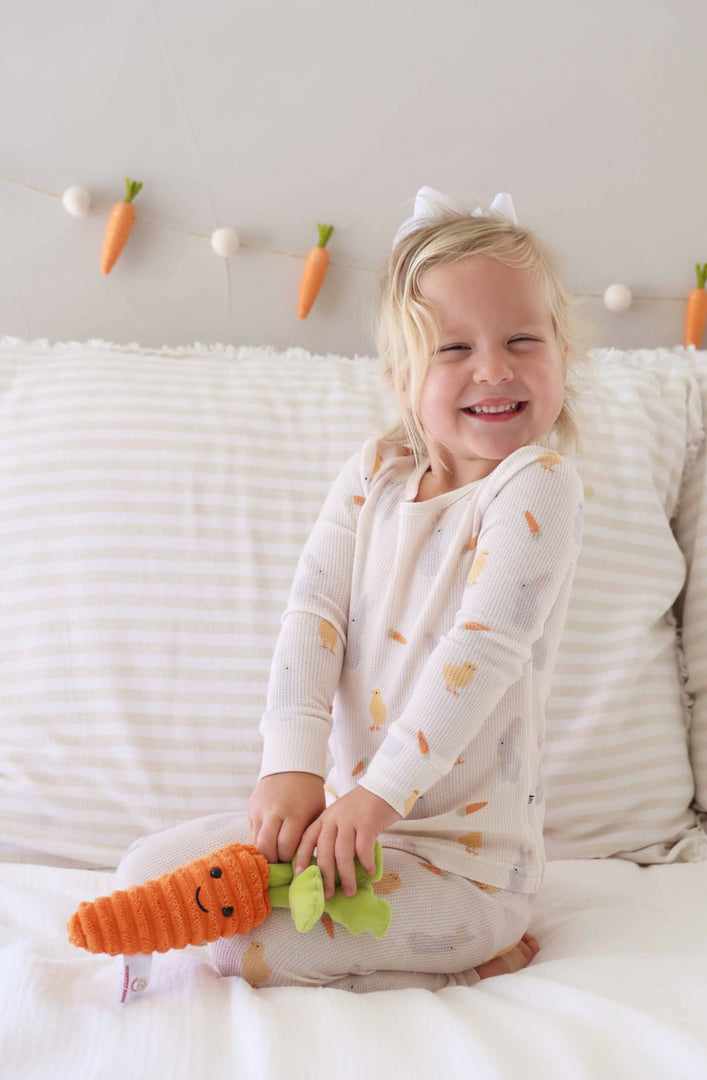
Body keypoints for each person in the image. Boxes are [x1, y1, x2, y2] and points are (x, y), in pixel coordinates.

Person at [121, 188, 584, 992]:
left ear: (561, 357)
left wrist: (378, 797)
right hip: (344, 828)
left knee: (247, 947)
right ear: (401, 377)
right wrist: (292, 765)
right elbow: (315, 614)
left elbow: (482, 649)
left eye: (522, 340)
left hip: (463, 872)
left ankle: (482, 947)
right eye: (454, 350)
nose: (495, 368)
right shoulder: (375, 473)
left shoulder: (537, 484)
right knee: (143, 872)